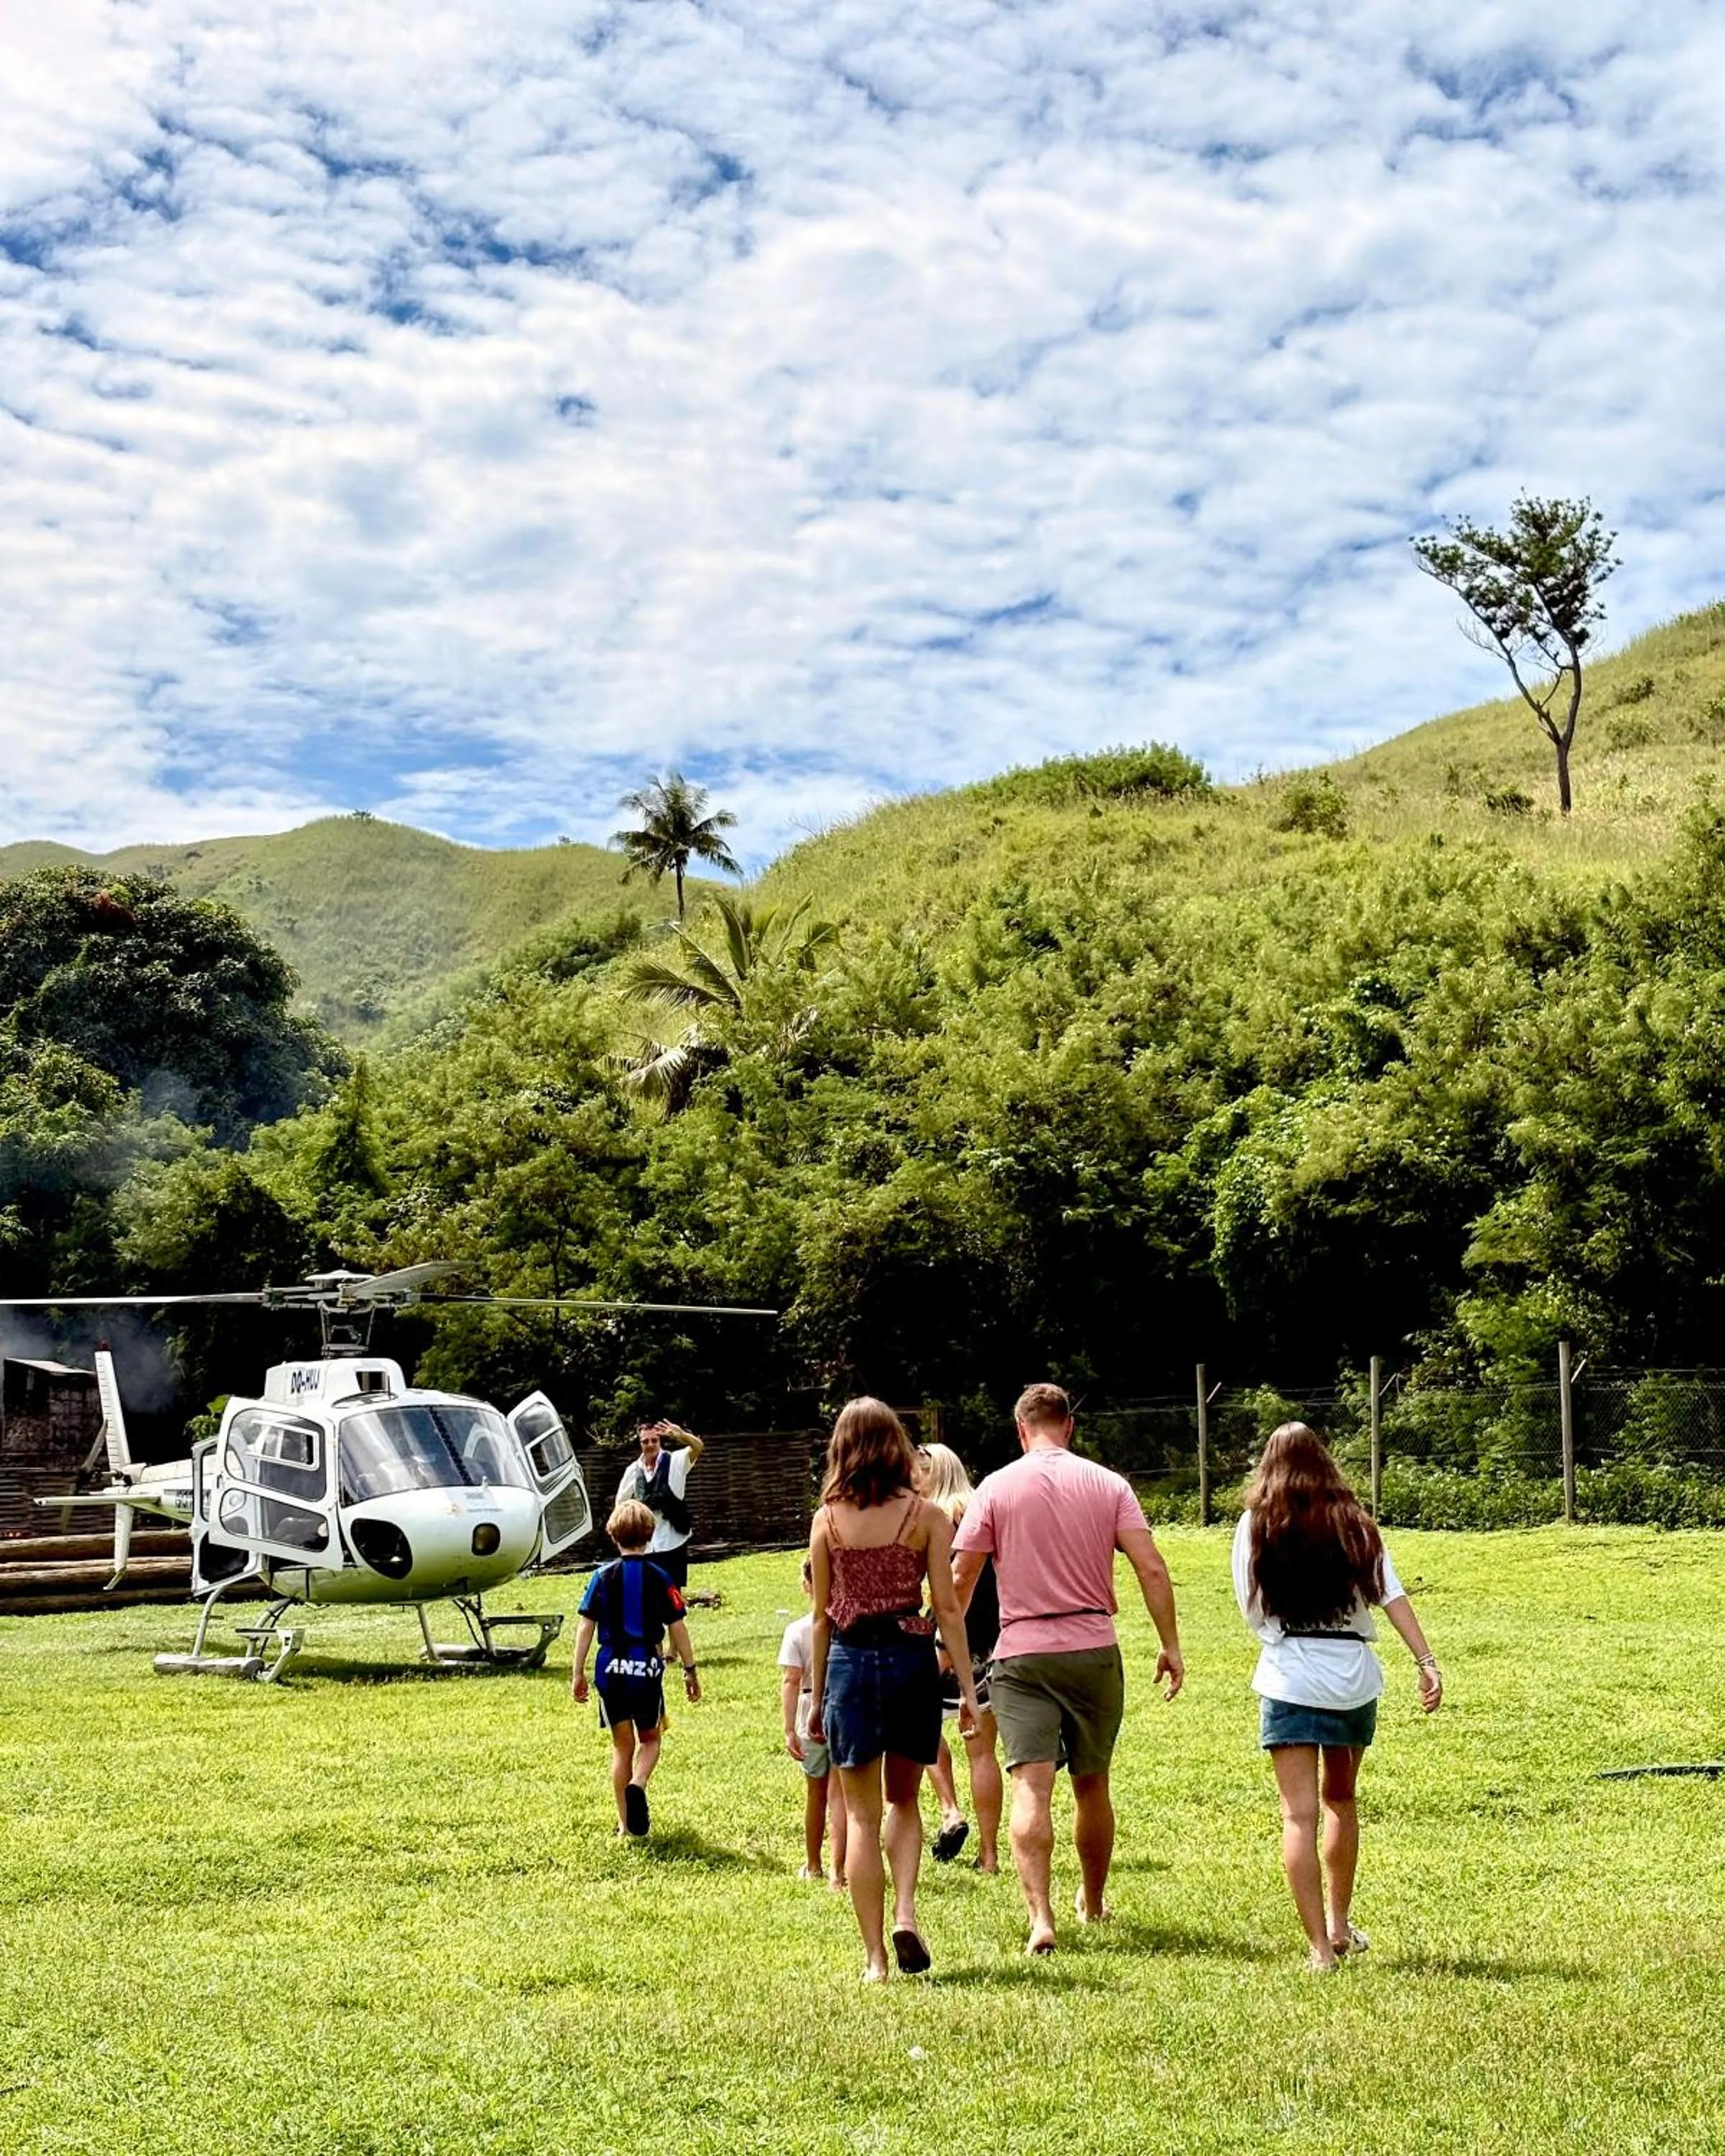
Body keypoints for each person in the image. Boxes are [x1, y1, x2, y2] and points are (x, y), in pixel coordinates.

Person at [952, 1382, 1183, 1955]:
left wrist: (947, 1653)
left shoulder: (996, 1488)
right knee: (1092, 1783)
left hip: (1022, 1652)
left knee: (1031, 1785)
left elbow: (961, 1578)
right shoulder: (1110, 1484)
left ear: (1020, 1428)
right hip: (1093, 1646)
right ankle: (1096, 1901)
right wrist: (1169, 1644)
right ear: (1071, 1426)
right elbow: (1151, 1568)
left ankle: (1041, 1919)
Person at [1233, 1422, 1442, 1971]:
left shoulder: (1256, 1524)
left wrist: (1282, 1640)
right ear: (1326, 1461)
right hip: (1353, 1677)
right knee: (1341, 1802)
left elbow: (1250, 1608)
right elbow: (1389, 1592)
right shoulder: (1355, 1523)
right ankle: (1340, 1923)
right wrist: (1425, 1661)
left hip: (1289, 1677)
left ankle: (1320, 1951)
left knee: (1297, 1817)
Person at [806, 1399, 981, 1983]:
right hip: (911, 1662)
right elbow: (949, 1610)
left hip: (852, 1667)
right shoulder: (929, 1516)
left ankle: (876, 1960)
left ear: (843, 1449)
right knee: (902, 1800)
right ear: (896, 1447)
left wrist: (814, 1694)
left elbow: (821, 1619)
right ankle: (906, 1911)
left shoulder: (827, 1521)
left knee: (859, 1816)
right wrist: (971, 1694)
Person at [571, 1499, 701, 1837]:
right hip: (645, 1667)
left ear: (614, 1536)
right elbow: (678, 1627)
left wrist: (578, 1673)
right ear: (650, 1535)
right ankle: (639, 1783)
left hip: (610, 1666)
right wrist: (690, 1669)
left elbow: (585, 1626)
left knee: (621, 1745)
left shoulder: (601, 1576)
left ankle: (625, 1825)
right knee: (651, 1739)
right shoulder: (661, 1578)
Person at [915, 1442, 1003, 1874]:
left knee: (920, 1724)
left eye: (921, 1468)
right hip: (993, 1641)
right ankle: (989, 1856)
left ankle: (950, 1809)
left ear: (940, 1471)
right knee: (982, 1751)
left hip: (948, 1640)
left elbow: (950, 1591)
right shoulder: (984, 1511)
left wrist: (940, 1648)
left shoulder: (936, 1518)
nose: (914, 1475)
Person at [778, 1557, 849, 1889]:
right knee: (840, 1796)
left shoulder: (796, 1631)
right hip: (844, 1708)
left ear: (807, 1585)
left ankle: (813, 1864)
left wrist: (790, 1727)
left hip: (809, 1709)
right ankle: (839, 1872)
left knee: (815, 1794)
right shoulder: (845, 1626)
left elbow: (791, 1681)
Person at [615, 1418, 705, 1591]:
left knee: (673, 1599)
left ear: (660, 1441)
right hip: (644, 1546)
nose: (650, 1445)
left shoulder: (677, 1461)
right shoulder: (633, 1471)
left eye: (654, 1440)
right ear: (640, 1443)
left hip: (674, 1541)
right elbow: (620, 1505)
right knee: (648, 1596)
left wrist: (682, 1436)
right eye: (645, 1441)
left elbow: (698, 1447)